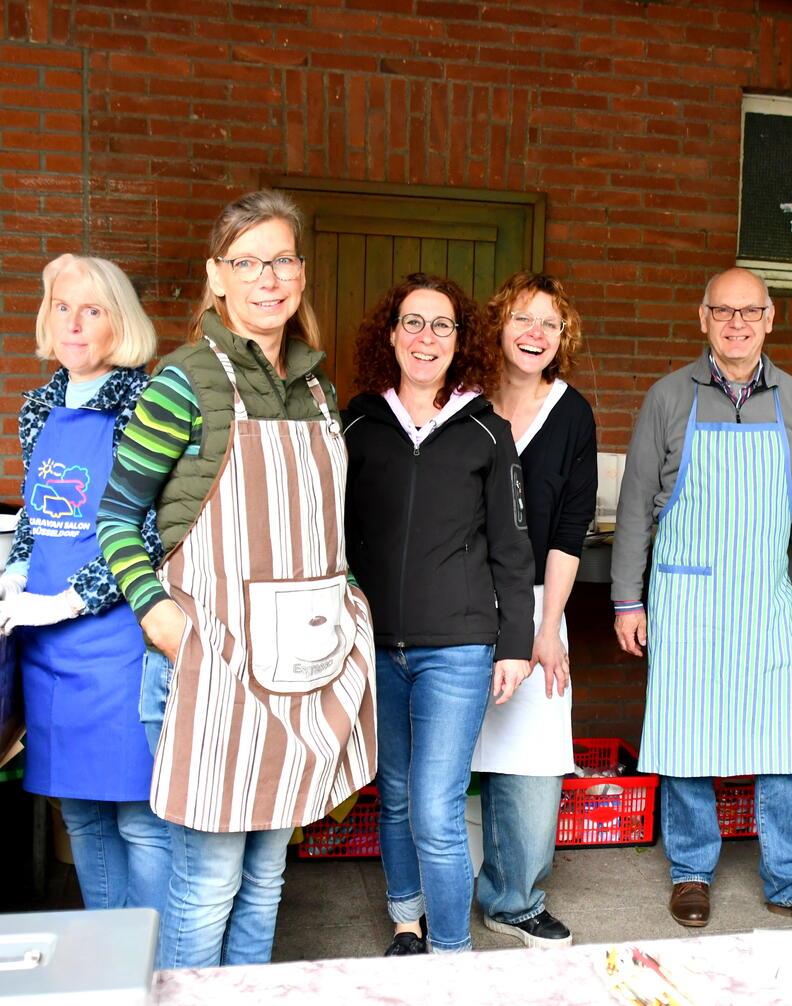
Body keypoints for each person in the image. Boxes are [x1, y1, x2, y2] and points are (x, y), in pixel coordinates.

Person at [96, 190, 377, 968]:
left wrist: (347, 598)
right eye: (247, 262)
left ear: (302, 273)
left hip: (298, 671)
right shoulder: (184, 381)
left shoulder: (319, 389)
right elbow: (117, 516)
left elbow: (325, 524)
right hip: (210, 666)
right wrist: (156, 612)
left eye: (282, 259)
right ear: (217, 276)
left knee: (265, 878)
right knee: (208, 881)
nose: (268, 278)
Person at [612, 266, 792, 931]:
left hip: (766, 601)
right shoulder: (669, 397)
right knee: (686, 745)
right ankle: (691, 872)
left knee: (782, 749)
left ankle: (791, 882)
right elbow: (636, 505)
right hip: (687, 600)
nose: (737, 323)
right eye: (723, 311)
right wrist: (626, 601)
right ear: (703, 318)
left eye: (749, 312)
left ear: (770, 318)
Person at [344, 272, 535, 955]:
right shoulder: (359, 424)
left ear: (461, 342)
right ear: (391, 334)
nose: (426, 338)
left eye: (442, 325)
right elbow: (333, 535)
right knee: (392, 795)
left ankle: (452, 954)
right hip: (375, 645)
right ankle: (406, 921)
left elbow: (514, 548)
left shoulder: (486, 430)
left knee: (434, 807)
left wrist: (517, 644)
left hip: (457, 647)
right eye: (413, 323)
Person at [0, 254, 169, 913]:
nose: (73, 322)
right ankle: (112, 964)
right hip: (49, 654)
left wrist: (66, 600)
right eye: (62, 307)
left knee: (141, 821)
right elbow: (38, 517)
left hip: (119, 645)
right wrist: (15, 581)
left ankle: (157, 965)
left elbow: (148, 531)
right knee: (84, 820)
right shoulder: (38, 408)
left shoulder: (146, 404)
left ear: (119, 322)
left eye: (92, 309)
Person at [470, 272, 597, 948]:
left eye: (550, 324)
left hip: (538, 604)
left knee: (533, 757)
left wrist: (548, 630)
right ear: (499, 325)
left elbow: (571, 527)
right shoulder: (463, 402)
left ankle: (514, 900)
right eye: (523, 318)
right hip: (456, 599)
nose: (535, 334)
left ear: (562, 338)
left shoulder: (571, 414)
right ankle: (424, 895)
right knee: (442, 754)